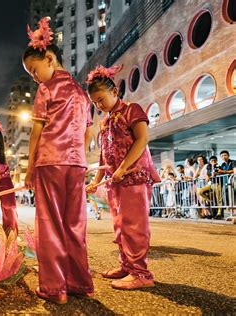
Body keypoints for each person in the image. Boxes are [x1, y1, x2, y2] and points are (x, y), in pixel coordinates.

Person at [22, 17, 94, 304]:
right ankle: (79, 282)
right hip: (76, 164)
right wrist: (80, 154)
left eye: (34, 69)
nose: (35, 77)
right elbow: (89, 130)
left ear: (49, 58)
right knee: (75, 224)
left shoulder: (47, 89)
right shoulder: (81, 92)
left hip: (50, 161)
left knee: (49, 223)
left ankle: (54, 287)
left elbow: (37, 130)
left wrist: (29, 167)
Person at [85, 64, 160, 290]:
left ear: (114, 91)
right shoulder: (106, 121)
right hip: (114, 181)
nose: (99, 105)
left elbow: (142, 140)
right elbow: (103, 156)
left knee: (134, 225)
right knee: (120, 225)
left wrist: (123, 168)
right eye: (95, 103)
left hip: (134, 177)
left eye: (101, 99)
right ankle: (127, 266)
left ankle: (141, 273)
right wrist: (96, 180)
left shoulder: (132, 109)